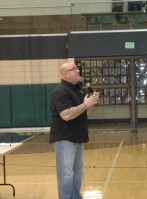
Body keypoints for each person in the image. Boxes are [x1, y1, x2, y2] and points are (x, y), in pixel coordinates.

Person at [50, 62, 100, 199]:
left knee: (77, 173)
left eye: (77, 69)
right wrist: (85, 104)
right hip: (64, 138)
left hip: (78, 137)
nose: (78, 71)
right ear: (65, 74)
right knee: (66, 175)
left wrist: (90, 104)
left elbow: (84, 113)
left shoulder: (78, 90)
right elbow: (66, 115)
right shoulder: (60, 91)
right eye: (74, 69)